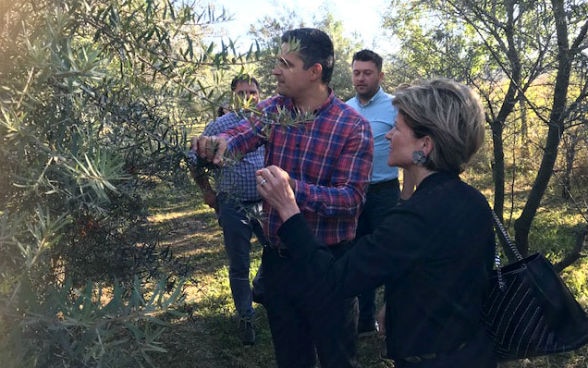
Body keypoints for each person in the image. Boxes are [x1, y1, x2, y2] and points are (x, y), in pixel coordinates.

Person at [255, 78, 498, 368]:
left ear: (425, 144)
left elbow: (334, 281)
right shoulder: (472, 200)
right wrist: (395, 306)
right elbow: (440, 276)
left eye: (397, 128)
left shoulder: (416, 218)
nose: (388, 136)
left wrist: (288, 209)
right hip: (474, 352)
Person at [192, 28, 373, 368]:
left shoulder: (352, 127)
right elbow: (240, 135)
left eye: (285, 64)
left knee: (337, 358)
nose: (275, 71)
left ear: (314, 71)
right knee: (291, 358)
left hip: (329, 265)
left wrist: (291, 191)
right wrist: (218, 145)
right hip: (280, 262)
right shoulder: (275, 109)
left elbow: (351, 200)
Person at [192, 74, 268, 345]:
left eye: (252, 91)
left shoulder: (267, 121)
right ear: (232, 95)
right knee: (239, 264)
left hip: (264, 202)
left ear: (260, 94)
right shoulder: (219, 125)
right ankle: (246, 318)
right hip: (233, 204)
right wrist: (207, 191)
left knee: (277, 251)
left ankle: (261, 288)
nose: (247, 96)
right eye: (241, 92)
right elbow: (194, 160)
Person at [346, 49, 415, 337]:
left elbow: (411, 154)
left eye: (367, 72)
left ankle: (393, 317)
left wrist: (407, 195)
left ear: (380, 75)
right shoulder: (345, 108)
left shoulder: (396, 107)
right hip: (352, 194)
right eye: (356, 72)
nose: (361, 78)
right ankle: (364, 322)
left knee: (390, 255)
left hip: (386, 193)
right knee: (358, 254)